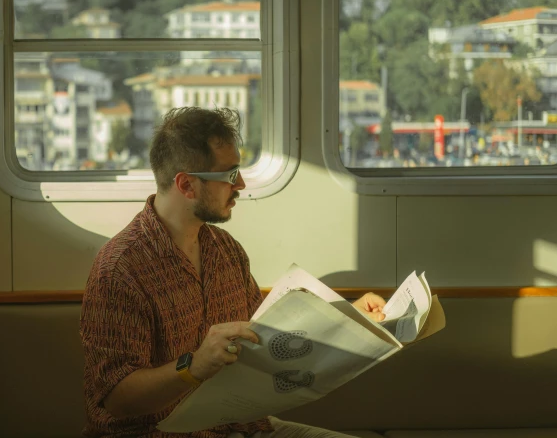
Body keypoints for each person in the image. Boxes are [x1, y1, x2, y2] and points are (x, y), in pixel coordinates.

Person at [79, 107, 386, 438]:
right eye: (228, 174)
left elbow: (269, 339)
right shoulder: (120, 269)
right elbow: (115, 399)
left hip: (243, 427)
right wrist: (193, 367)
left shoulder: (226, 251)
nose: (240, 184)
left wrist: (350, 319)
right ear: (186, 185)